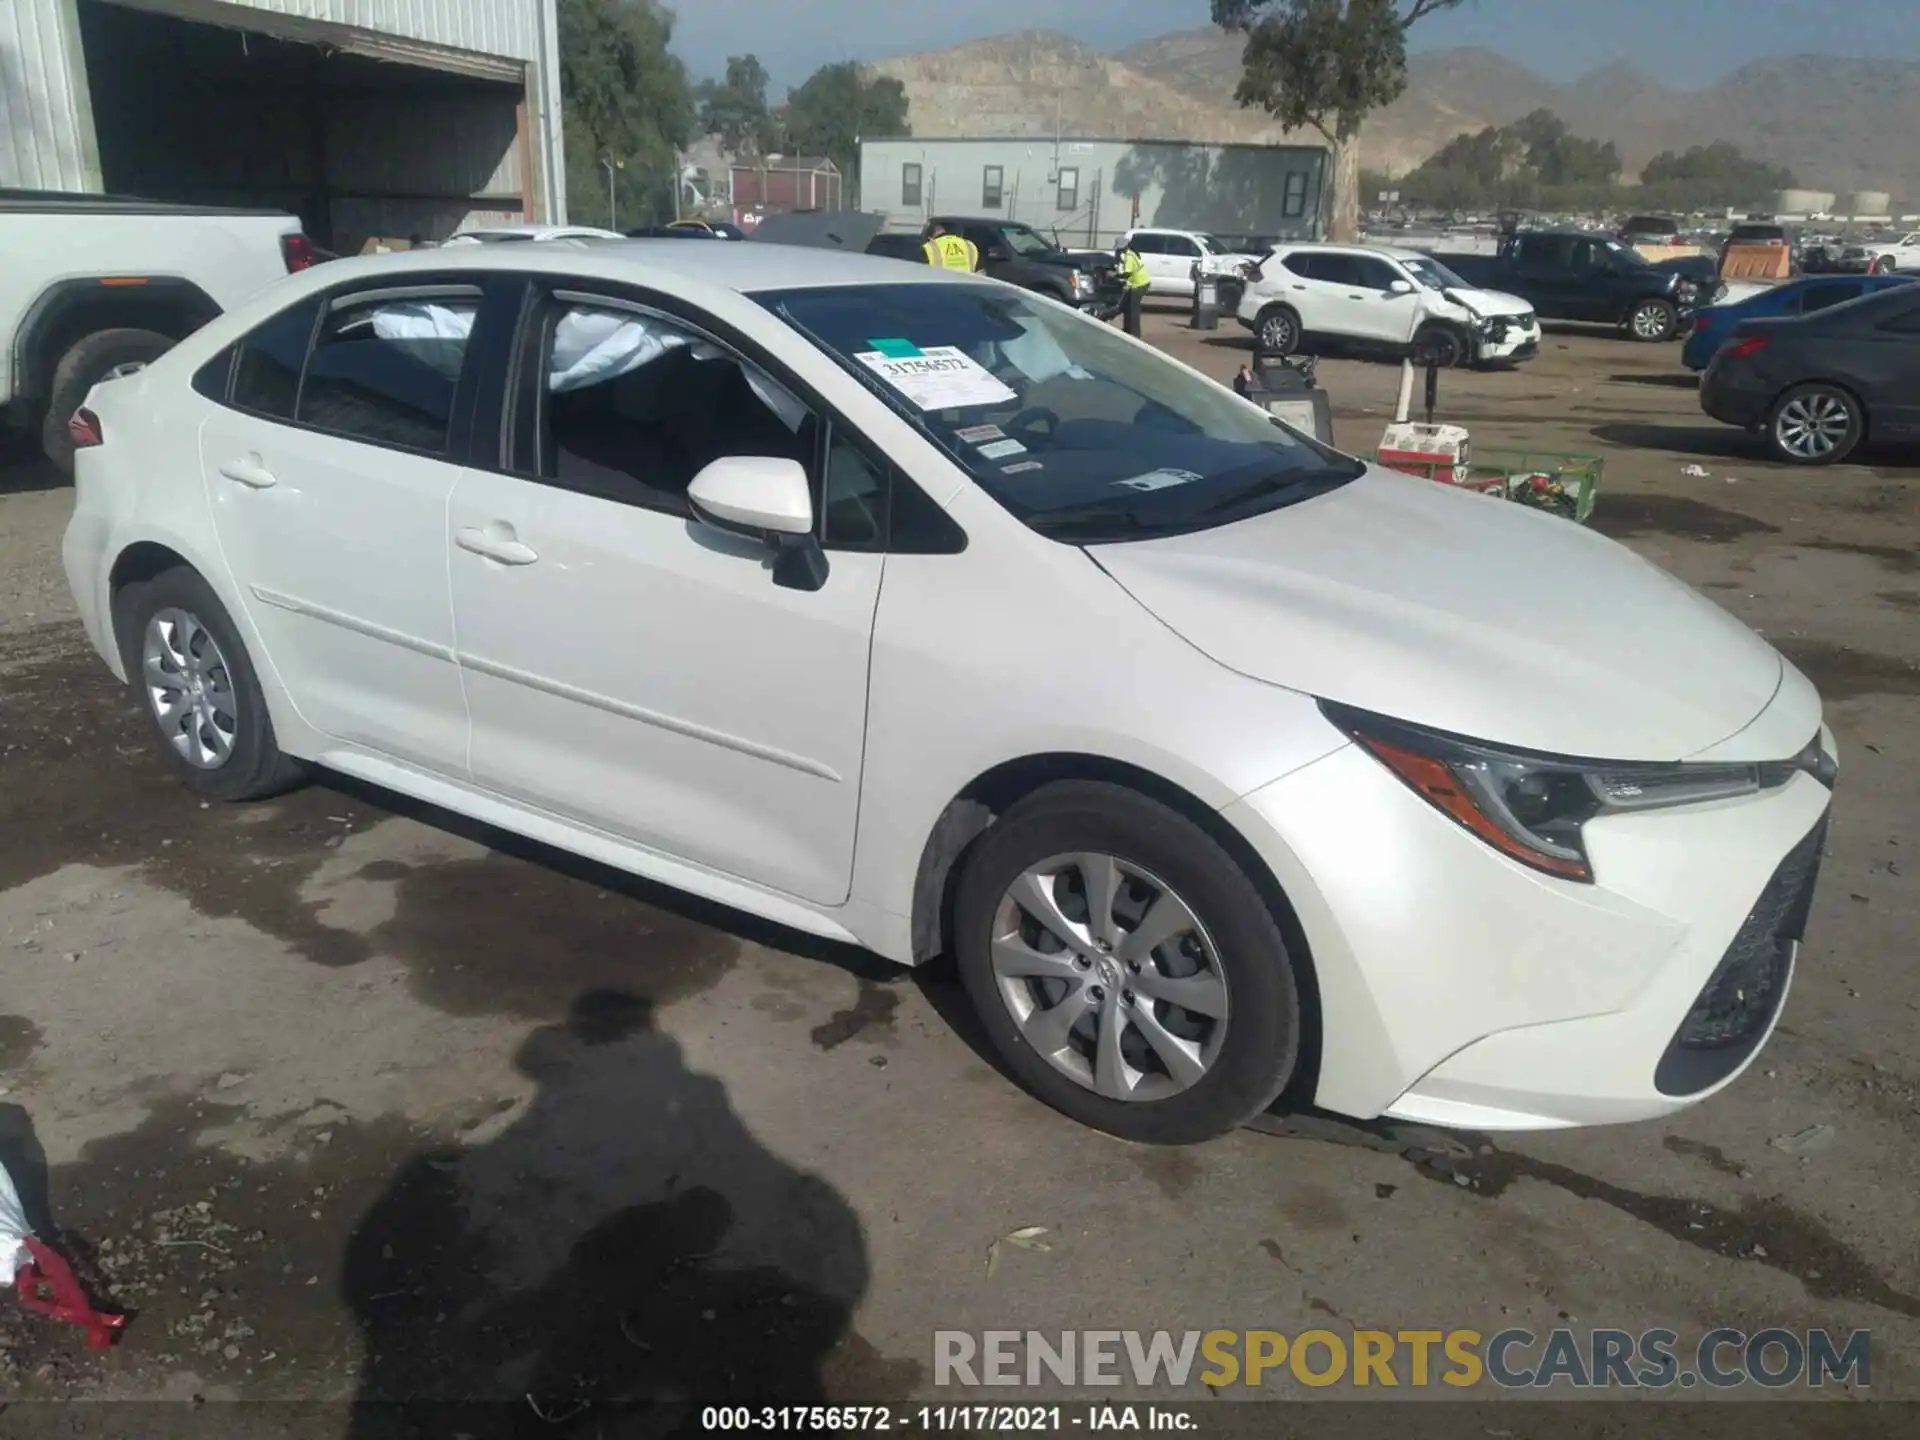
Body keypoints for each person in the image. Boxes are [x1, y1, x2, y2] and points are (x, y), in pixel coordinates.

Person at [1115, 237, 1150, 336]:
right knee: (1128, 307)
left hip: (1139, 284)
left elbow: (1127, 273)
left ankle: (1135, 334)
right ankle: (1128, 330)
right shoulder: (1130, 253)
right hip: (1141, 282)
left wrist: (1115, 276)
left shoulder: (1129, 256)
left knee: (1133, 309)